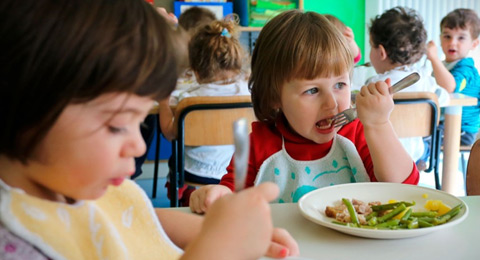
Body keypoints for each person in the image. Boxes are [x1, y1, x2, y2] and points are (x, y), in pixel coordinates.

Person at [0, 1, 299, 259]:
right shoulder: (15, 244)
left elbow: (131, 218)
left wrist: (222, 229)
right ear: (27, 106)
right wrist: (213, 250)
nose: (139, 146)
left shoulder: (72, 185)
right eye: (118, 125)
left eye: (139, 119)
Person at [189, 10, 420, 213]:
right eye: (312, 90)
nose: (332, 103)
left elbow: (403, 189)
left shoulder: (357, 134)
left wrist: (379, 125)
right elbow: (231, 196)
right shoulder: (257, 146)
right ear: (274, 97)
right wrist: (215, 194)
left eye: (340, 85)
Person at [159, 19, 250, 206]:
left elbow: (169, 133)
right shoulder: (248, 94)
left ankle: (183, 198)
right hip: (235, 171)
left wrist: (163, 100)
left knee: (175, 156)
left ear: (196, 71)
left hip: (192, 172)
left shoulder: (187, 99)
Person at [364, 6, 450, 167]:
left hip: (380, 157)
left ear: (381, 52)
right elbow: (445, 97)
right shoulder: (424, 80)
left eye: (371, 45)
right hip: (416, 153)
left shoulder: (374, 85)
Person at [427, 8, 480, 145]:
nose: (452, 42)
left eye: (461, 38)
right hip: (444, 124)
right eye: (447, 36)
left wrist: (433, 58)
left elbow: (450, 87)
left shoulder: (466, 68)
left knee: (422, 138)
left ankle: (420, 160)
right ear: (440, 39)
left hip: (462, 130)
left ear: (474, 44)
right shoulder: (444, 65)